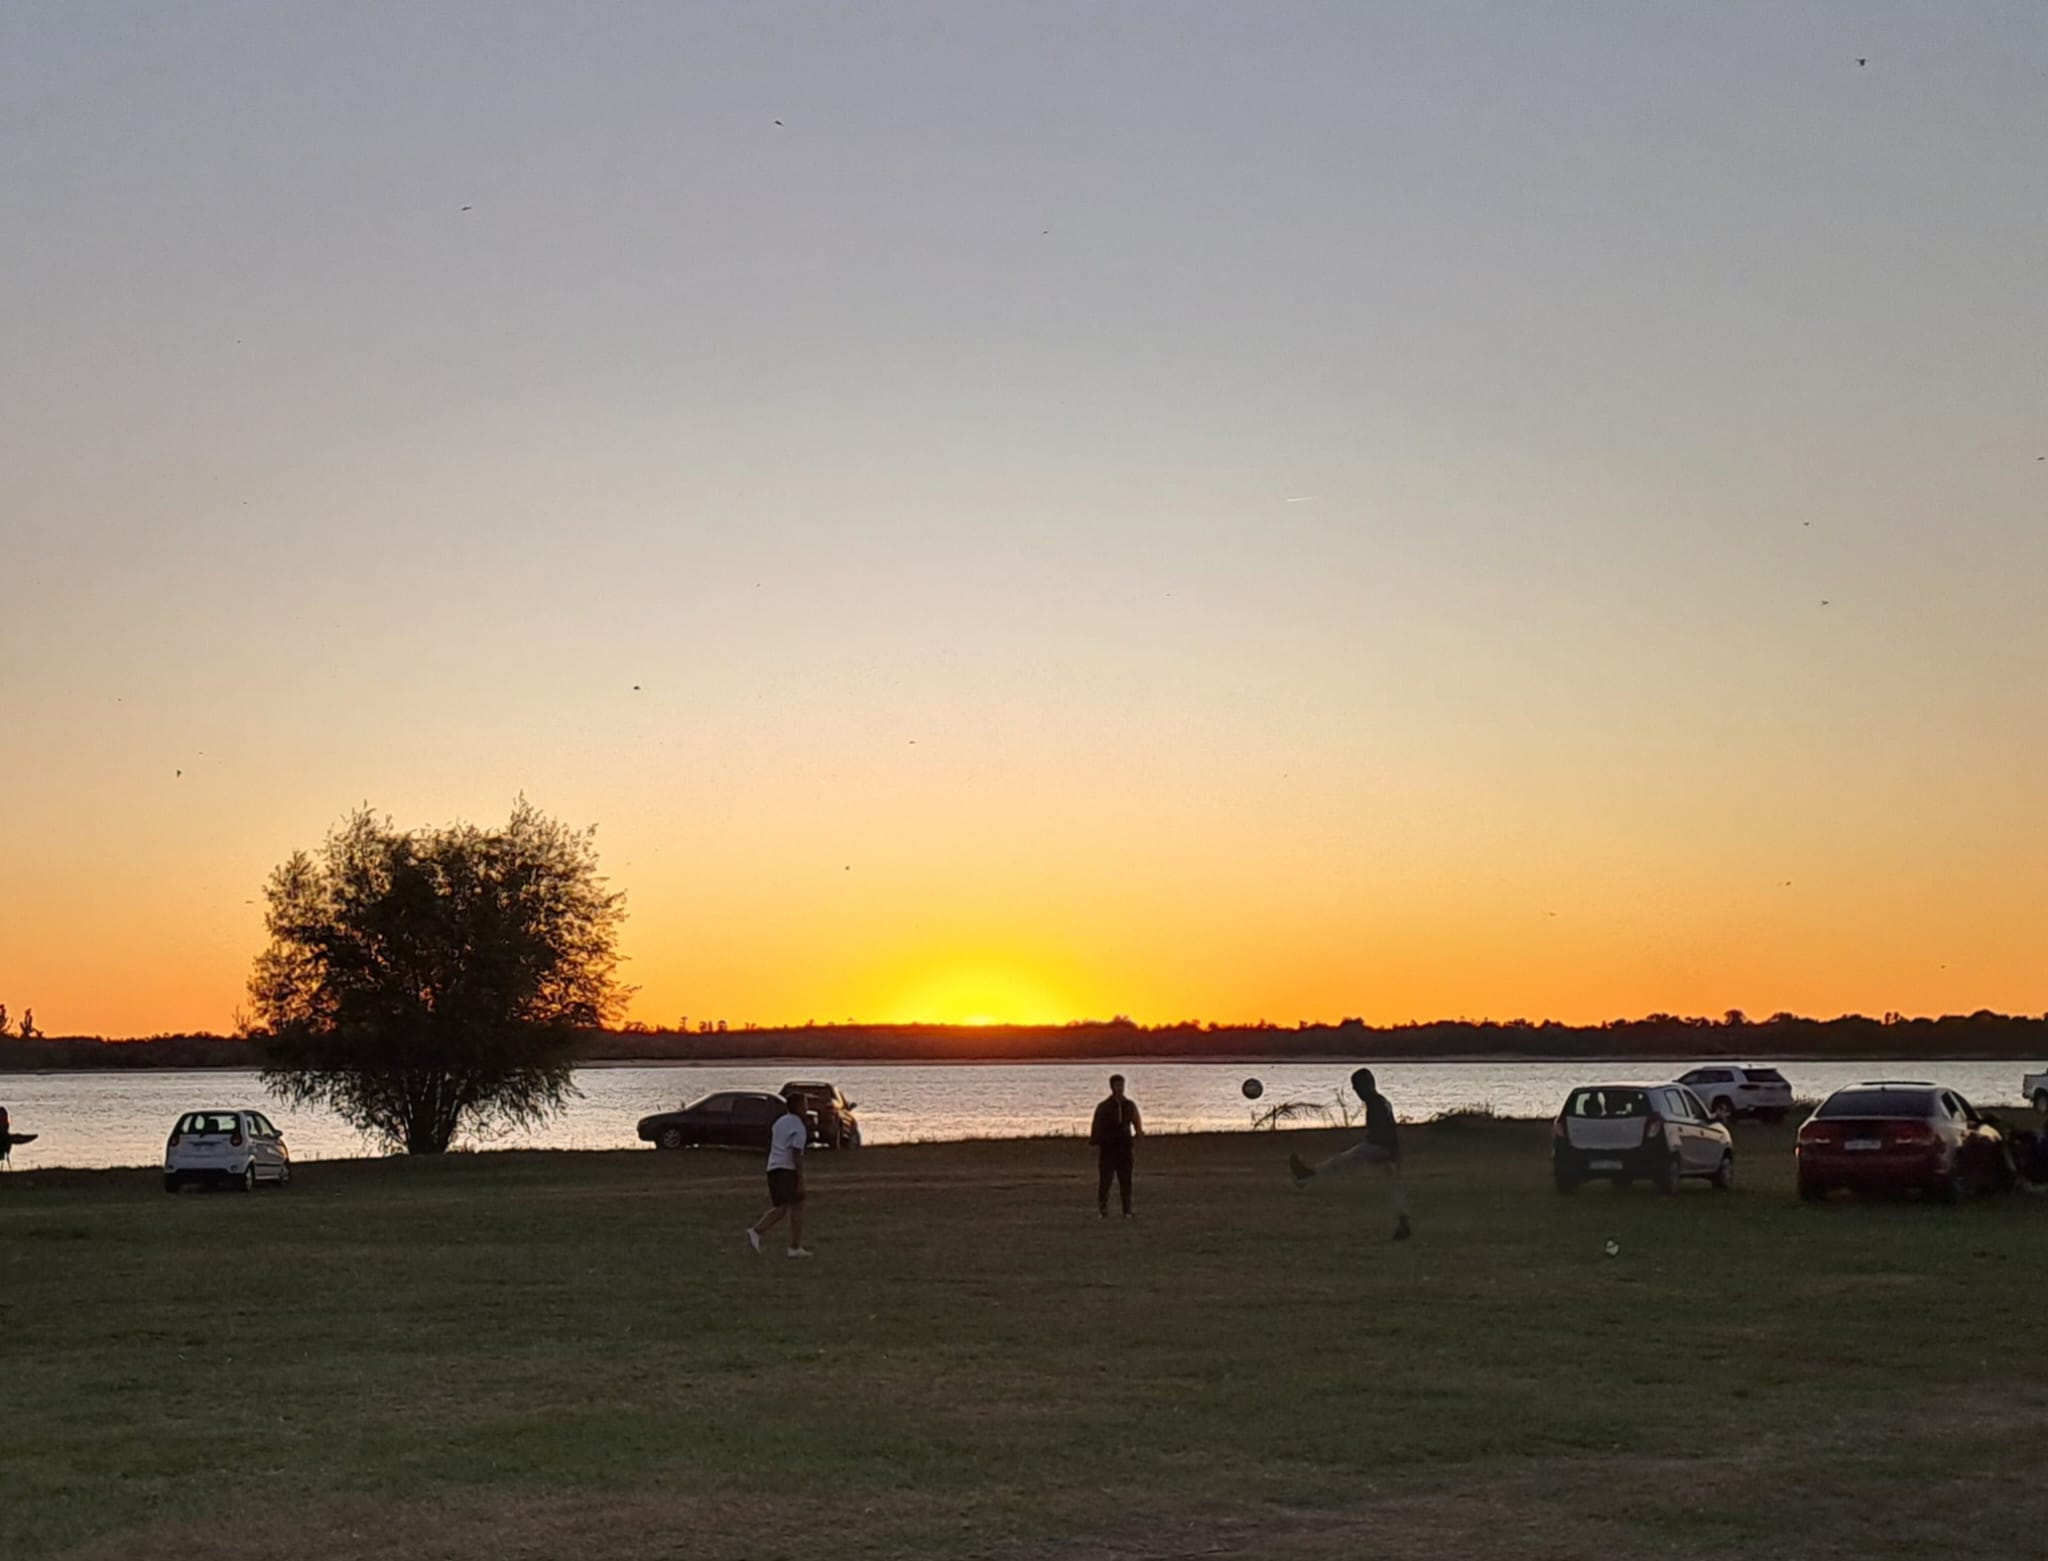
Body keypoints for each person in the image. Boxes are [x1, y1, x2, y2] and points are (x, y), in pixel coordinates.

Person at [1289, 1067, 1411, 1240]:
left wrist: (1373, 1142)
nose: (1356, 1091)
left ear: (1367, 1085)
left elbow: (1380, 1130)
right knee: (1393, 1186)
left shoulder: (1376, 1103)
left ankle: (1307, 1175)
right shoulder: (1380, 1101)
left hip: (1380, 1147)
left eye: (1357, 1087)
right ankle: (1403, 1222)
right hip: (1389, 1149)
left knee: (1342, 1161)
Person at [745, 1097, 813, 1258]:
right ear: (797, 1107)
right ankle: (789, 1245)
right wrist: (800, 1179)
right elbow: (796, 1154)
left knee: (784, 1207)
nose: (806, 1108)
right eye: (804, 1105)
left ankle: (761, 1233)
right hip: (786, 1169)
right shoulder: (798, 1126)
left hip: (773, 1167)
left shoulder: (780, 1122)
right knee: (793, 1207)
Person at [1089, 1074, 1143, 1218]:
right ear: (1112, 1086)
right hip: (1108, 1148)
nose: (1120, 1088)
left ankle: (1127, 1210)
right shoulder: (1104, 1106)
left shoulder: (1129, 1105)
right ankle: (1103, 1209)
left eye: (1122, 1085)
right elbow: (1097, 1124)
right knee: (1105, 1180)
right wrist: (1095, 1139)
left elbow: (1136, 1119)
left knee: (1125, 1180)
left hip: (1124, 1147)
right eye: (1117, 1085)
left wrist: (1138, 1132)